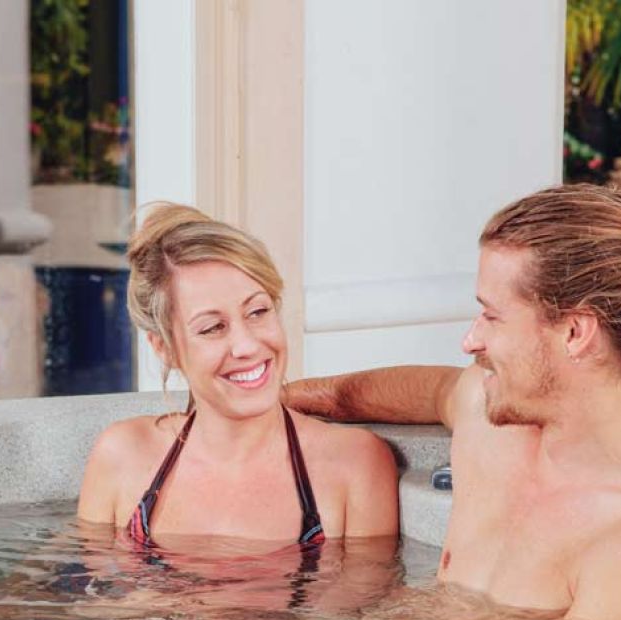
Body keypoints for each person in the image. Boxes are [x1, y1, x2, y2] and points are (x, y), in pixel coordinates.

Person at [285, 184, 621, 620]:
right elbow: (424, 390)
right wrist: (285, 398)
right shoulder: (489, 420)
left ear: (575, 333)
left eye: (492, 316)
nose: (471, 341)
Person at [78, 202, 398, 552]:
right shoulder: (122, 456)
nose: (247, 346)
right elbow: (92, 585)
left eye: (258, 311)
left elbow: (372, 589)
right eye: (213, 327)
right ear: (165, 348)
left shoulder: (354, 466)